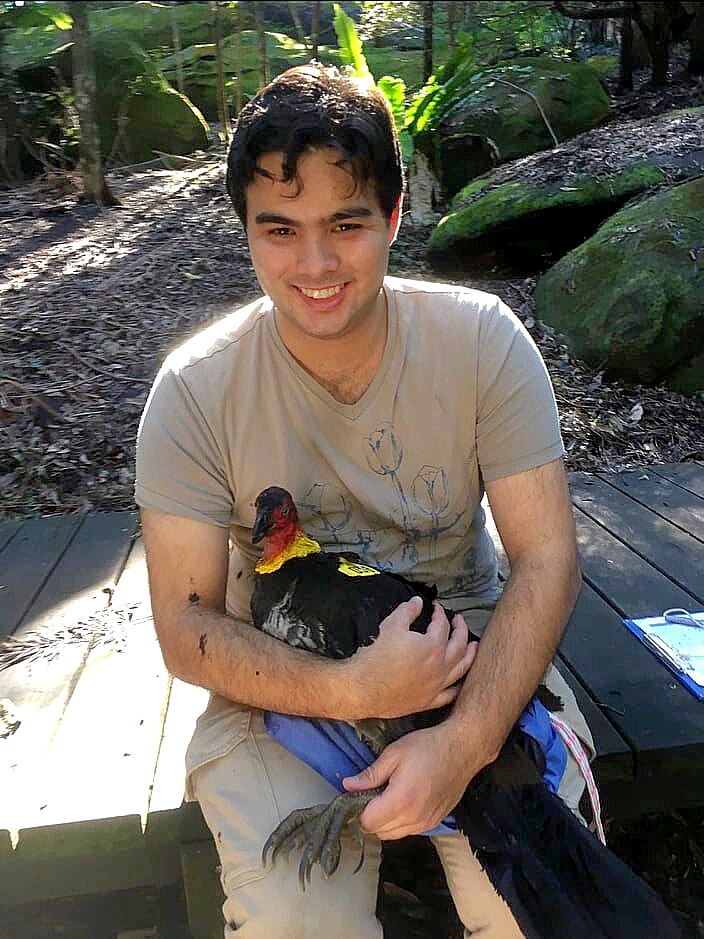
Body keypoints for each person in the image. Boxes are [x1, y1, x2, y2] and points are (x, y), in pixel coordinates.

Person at [136, 63, 595, 938]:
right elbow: (187, 623)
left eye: (345, 224)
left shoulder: (481, 344)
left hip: (468, 650)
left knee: (537, 904)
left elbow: (547, 558)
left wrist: (462, 743)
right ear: (246, 229)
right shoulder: (196, 391)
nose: (315, 264)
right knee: (294, 913)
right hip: (281, 669)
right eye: (280, 229)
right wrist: (351, 688)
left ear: (393, 215)